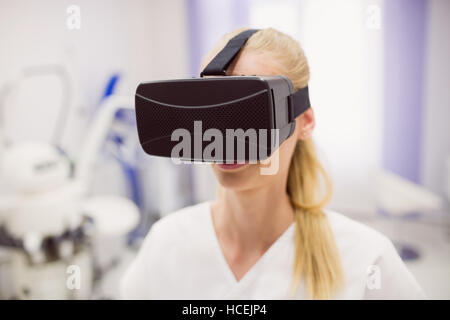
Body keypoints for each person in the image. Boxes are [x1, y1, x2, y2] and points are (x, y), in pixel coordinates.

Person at [120, 27, 425, 299]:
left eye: (250, 113)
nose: (227, 138)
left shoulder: (366, 260)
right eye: (211, 111)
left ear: (304, 121)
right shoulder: (166, 242)